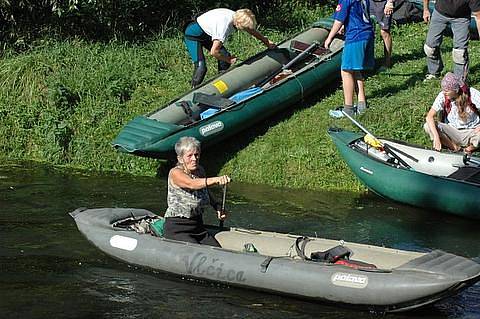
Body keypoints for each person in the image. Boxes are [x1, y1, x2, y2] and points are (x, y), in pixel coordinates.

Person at [163, 136, 231, 246]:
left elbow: (205, 191)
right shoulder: (175, 173)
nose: (194, 158)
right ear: (180, 159)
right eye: (189, 156)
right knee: (197, 251)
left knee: (217, 250)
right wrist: (216, 179)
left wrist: (217, 206)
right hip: (178, 227)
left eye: (196, 154)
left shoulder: (200, 170)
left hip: (197, 226)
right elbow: (192, 184)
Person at [184, 8, 277, 88]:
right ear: (238, 24)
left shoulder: (237, 16)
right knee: (201, 67)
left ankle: (220, 85)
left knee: (224, 57)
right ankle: (192, 91)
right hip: (193, 35)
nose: (245, 30)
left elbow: (251, 30)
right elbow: (214, 52)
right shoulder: (223, 28)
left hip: (206, 33)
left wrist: (267, 41)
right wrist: (229, 59)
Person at [325, 0, 375, 117]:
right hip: (367, 33)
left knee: (346, 71)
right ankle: (362, 105)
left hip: (355, 36)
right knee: (356, 70)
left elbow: (339, 20)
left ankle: (348, 109)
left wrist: (329, 37)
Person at [423, 0, 480, 81]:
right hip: (440, 13)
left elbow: (478, 17)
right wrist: (426, 10)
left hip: (461, 18)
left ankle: (460, 82)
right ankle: (434, 72)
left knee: (460, 53)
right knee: (429, 48)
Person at [424, 72, 480, 154]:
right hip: (453, 131)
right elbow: (429, 117)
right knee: (427, 126)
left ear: (456, 90)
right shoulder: (443, 96)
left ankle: (469, 149)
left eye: (447, 90)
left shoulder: (472, 94)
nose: (444, 92)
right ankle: (455, 147)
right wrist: (436, 137)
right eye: (443, 89)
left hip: (472, 131)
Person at [370, 0, 395, 69]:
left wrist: (390, 2)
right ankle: (368, 62)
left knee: (384, 31)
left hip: (384, 3)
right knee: (368, 31)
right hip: (369, 2)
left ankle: (387, 62)